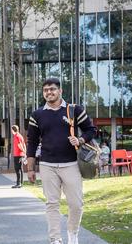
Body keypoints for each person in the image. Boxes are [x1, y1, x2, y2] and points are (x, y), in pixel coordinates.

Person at [26, 78, 97, 244]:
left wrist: (80, 140)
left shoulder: (74, 110)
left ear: (60, 91)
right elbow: (32, 142)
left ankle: (73, 234)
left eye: (52, 89)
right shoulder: (37, 115)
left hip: (71, 164)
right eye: (45, 90)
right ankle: (55, 239)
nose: (49, 92)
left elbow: (91, 129)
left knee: (76, 204)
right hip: (47, 165)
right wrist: (30, 168)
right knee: (52, 203)